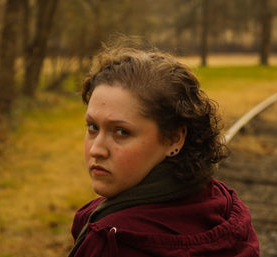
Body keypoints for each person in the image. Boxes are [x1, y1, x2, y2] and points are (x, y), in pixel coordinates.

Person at [69, 46, 259, 257]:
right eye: (93, 127)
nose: (96, 150)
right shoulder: (225, 208)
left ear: (174, 138)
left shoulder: (113, 242)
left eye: (122, 132)